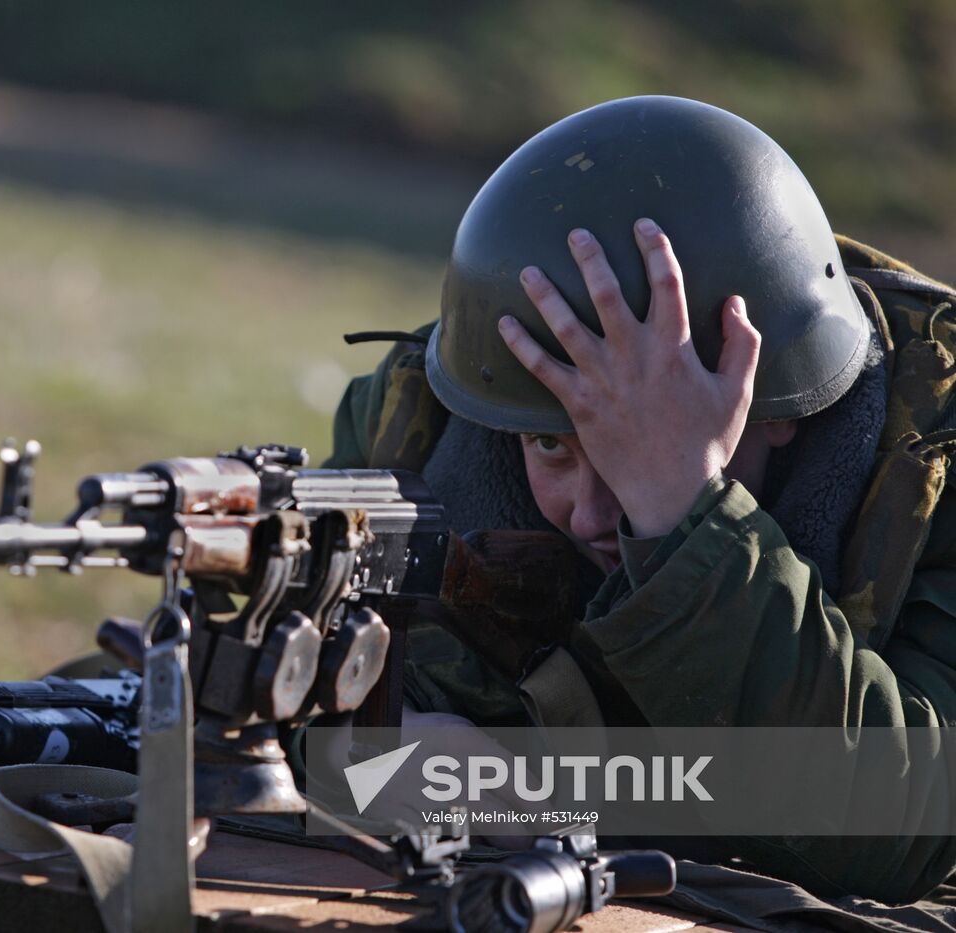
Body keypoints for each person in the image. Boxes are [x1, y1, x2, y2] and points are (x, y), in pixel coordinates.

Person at [326, 96, 956, 906]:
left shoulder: (932, 471)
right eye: (553, 446)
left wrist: (685, 505)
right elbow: (264, 694)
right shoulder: (436, 413)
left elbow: (903, 829)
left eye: (631, 450)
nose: (591, 515)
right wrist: (352, 747)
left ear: (782, 408)